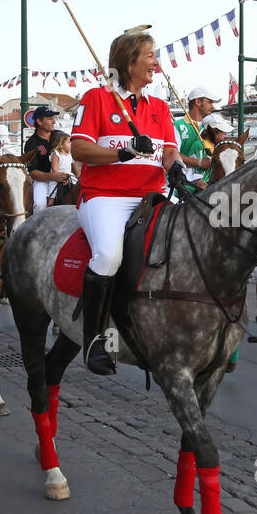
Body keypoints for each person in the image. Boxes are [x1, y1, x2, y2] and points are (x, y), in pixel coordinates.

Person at [71, 31, 179, 375]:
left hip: (151, 196)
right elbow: (79, 149)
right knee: (108, 256)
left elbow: (170, 150)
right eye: (150, 56)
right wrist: (125, 151)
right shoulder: (96, 99)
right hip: (106, 197)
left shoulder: (159, 107)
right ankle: (94, 341)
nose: (156, 63)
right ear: (129, 61)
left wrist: (174, 168)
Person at [174, 86, 219, 196]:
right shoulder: (178, 126)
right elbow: (172, 154)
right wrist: (199, 163)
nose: (213, 107)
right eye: (210, 102)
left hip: (211, 183)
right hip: (184, 185)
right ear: (198, 102)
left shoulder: (213, 126)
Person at [23, 106, 61, 211]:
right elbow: (33, 172)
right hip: (43, 181)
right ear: (39, 121)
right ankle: (39, 228)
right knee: (39, 205)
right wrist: (54, 176)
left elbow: (71, 157)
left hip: (64, 176)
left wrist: (78, 175)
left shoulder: (59, 135)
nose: (53, 121)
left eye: (53, 118)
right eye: (49, 118)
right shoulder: (31, 143)